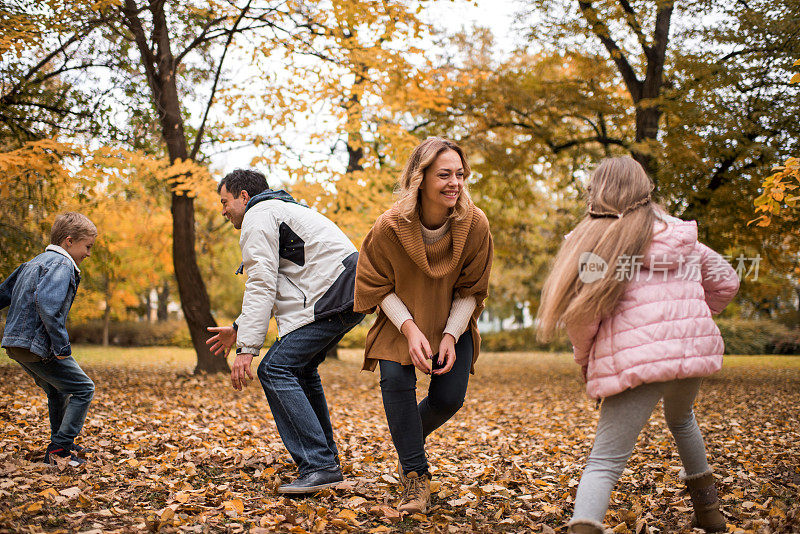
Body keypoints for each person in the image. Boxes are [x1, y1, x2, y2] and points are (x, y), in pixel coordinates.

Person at [536, 157, 740, 534]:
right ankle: (710, 513)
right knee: (682, 419)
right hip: (689, 360)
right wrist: (689, 324)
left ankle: (584, 527)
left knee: (604, 463)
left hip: (636, 361)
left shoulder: (593, 245)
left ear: (597, 192)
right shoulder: (681, 235)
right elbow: (727, 280)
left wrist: (585, 359)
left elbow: (582, 316)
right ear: (645, 189)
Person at [354, 137, 493, 514]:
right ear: (421, 177)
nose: (455, 183)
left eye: (460, 175)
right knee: (397, 382)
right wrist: (410, 328)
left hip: (453, 320)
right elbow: (374, 284)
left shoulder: (474, 224)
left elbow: (472, 288)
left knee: (449, 399)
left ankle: (407, 436)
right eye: (444, 174)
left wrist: (451, 333)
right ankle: (415, 478)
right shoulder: (389, 226)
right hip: (401, 322)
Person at [206, 169, 364, 494]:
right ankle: (326, 462)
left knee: (274, 369)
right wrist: (239, 328)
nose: (223, 210)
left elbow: (261, 281)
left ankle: (319, 465)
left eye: (225, 201)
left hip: (332, 296)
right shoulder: (282, 210)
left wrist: (246, 349)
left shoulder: (258, 215)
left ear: (243, 197)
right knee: (301, 370)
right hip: (347, 292)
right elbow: (281, 280)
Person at [1, 212, 98, 467]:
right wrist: (61, 347)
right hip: (37, 344)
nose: (88, 254)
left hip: (15, 343)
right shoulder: (63, 264)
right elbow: (47, 305)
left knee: (57, 390)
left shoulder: (32, 262)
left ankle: (60, 444)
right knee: (84, 388)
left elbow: (3, 293)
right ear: (69, 241)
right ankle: (60, 449)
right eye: (87, 246)